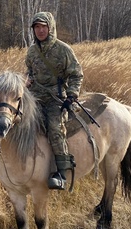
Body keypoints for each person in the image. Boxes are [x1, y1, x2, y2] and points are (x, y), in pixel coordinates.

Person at [25, 12, 83, 190]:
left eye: (43, 27)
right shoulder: (32, 51)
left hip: (54, 98)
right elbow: (30, 71)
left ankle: (61, 172)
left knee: (55, 129)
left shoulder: (63, 49)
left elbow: (76, 74)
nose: (40, 31)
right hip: (34, 97)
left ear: (50, 28)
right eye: (37, 27)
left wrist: (71, 96)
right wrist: (27, 80)